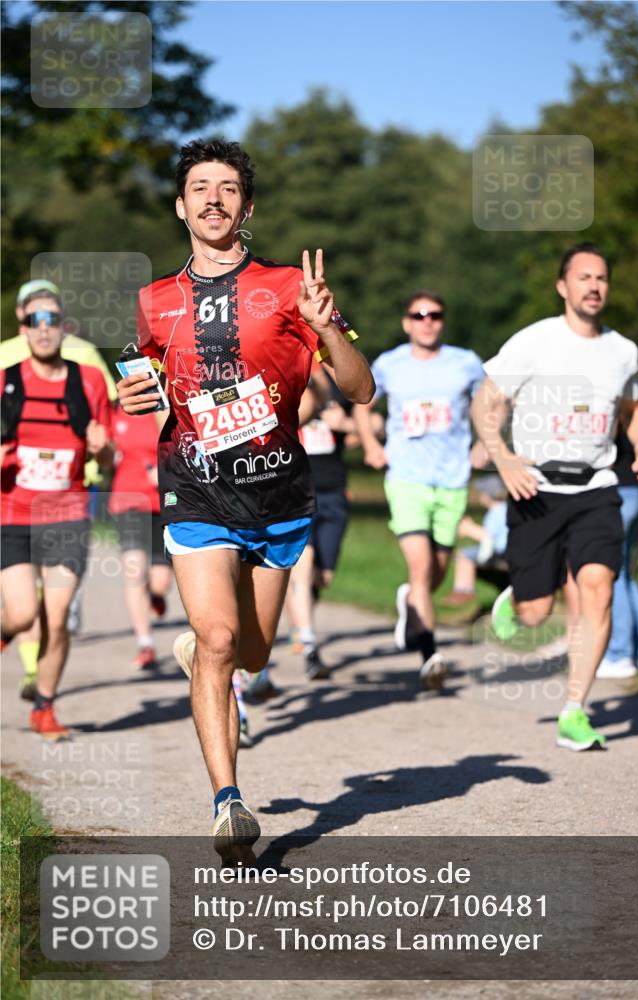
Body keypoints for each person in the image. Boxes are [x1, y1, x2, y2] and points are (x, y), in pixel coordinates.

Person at [116, 139, 374, 856]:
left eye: (227, 188)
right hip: (195, 491)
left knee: (252, 657)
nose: (212, 199)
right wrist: (133, 391)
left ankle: (200, 654)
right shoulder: (154, 301)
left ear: (247, 206)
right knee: (222, 640)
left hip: (280, 495)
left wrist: (325, 327)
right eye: (199, 187)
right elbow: (144, 385)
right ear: (179, 205)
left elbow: (359, 389)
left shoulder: (292, 286)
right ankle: (228, 803)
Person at [471, 242, 638, 751]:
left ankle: (575, 710)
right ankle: (519, 597)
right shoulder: (534, 342)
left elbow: (635, 408)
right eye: (584, 278)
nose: (594, 286)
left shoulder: (623, 351)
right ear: (563, 287)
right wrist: (503, 457)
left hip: (597, 486)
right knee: (533, 613)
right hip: (536, 488)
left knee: (598, 587)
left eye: (602, 278)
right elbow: (485, 403)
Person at [354, 291, 485, 689]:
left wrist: (484, 444)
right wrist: (372, 445)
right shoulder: (390, 364)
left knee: (437, 573)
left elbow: (492, 405)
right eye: (419, 315)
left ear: (443, 321)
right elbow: (363, 403)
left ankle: (411, 601)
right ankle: (430, 654)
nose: (427, 321)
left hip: (452, 478)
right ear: (407, 322)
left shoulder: (466, 363)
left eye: (435, 315)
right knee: (421, 566)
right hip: (406, 478)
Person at [1, 289, 114, 738]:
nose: (44, 327)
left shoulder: (87, 381)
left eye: (52, 319)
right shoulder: (6, 381)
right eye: (35, 319)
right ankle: (7, 629)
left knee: (58, 613)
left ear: (63, 325)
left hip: (67, 511)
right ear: (23, 327)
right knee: (24, 613)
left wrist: (104, 451)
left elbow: (107, 457)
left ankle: (44, 706)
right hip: (13, 511)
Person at [284, 365, 358, 680]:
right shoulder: (289, 380)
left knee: (322, 576)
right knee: (305, 563)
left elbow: (363, 430)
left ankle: (297, 612)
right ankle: (310, 645)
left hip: (333, 489)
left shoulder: (342, 382)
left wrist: (345, 425)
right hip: (296, 487)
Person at [108, 407, 173, 670]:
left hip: (165, 502)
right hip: (128, 501)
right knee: (135, 572)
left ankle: (154, 596)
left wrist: (166, 472)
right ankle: (145, 643)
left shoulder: (169, 408)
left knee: (161, 582)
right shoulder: (117, 411)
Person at [597, 425, 638, 677]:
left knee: (613, 575)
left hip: (620, 494)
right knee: (625, 575)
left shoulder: (616, 414)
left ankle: (620, 654)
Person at [442, 476, 508, 608]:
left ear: (488, 496)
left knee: (464, 555)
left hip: (500, 552)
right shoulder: (502, 509)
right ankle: (462, 590)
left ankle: (464, 590)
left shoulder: (497, 512)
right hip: (501, 550)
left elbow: (489, 537)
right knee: (466, 553)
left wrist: (469, 529)